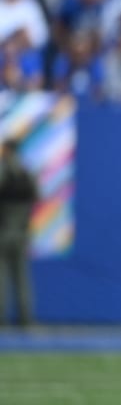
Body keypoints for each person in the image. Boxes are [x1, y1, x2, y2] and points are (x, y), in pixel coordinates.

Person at [0, 137, 39, 328]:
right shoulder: (26, 172)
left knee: (2, 276)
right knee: (22, 277)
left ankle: (2, 319)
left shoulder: (3, 170)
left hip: (3, 230)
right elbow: (36, 196)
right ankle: (26, 319)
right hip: (21, 231)